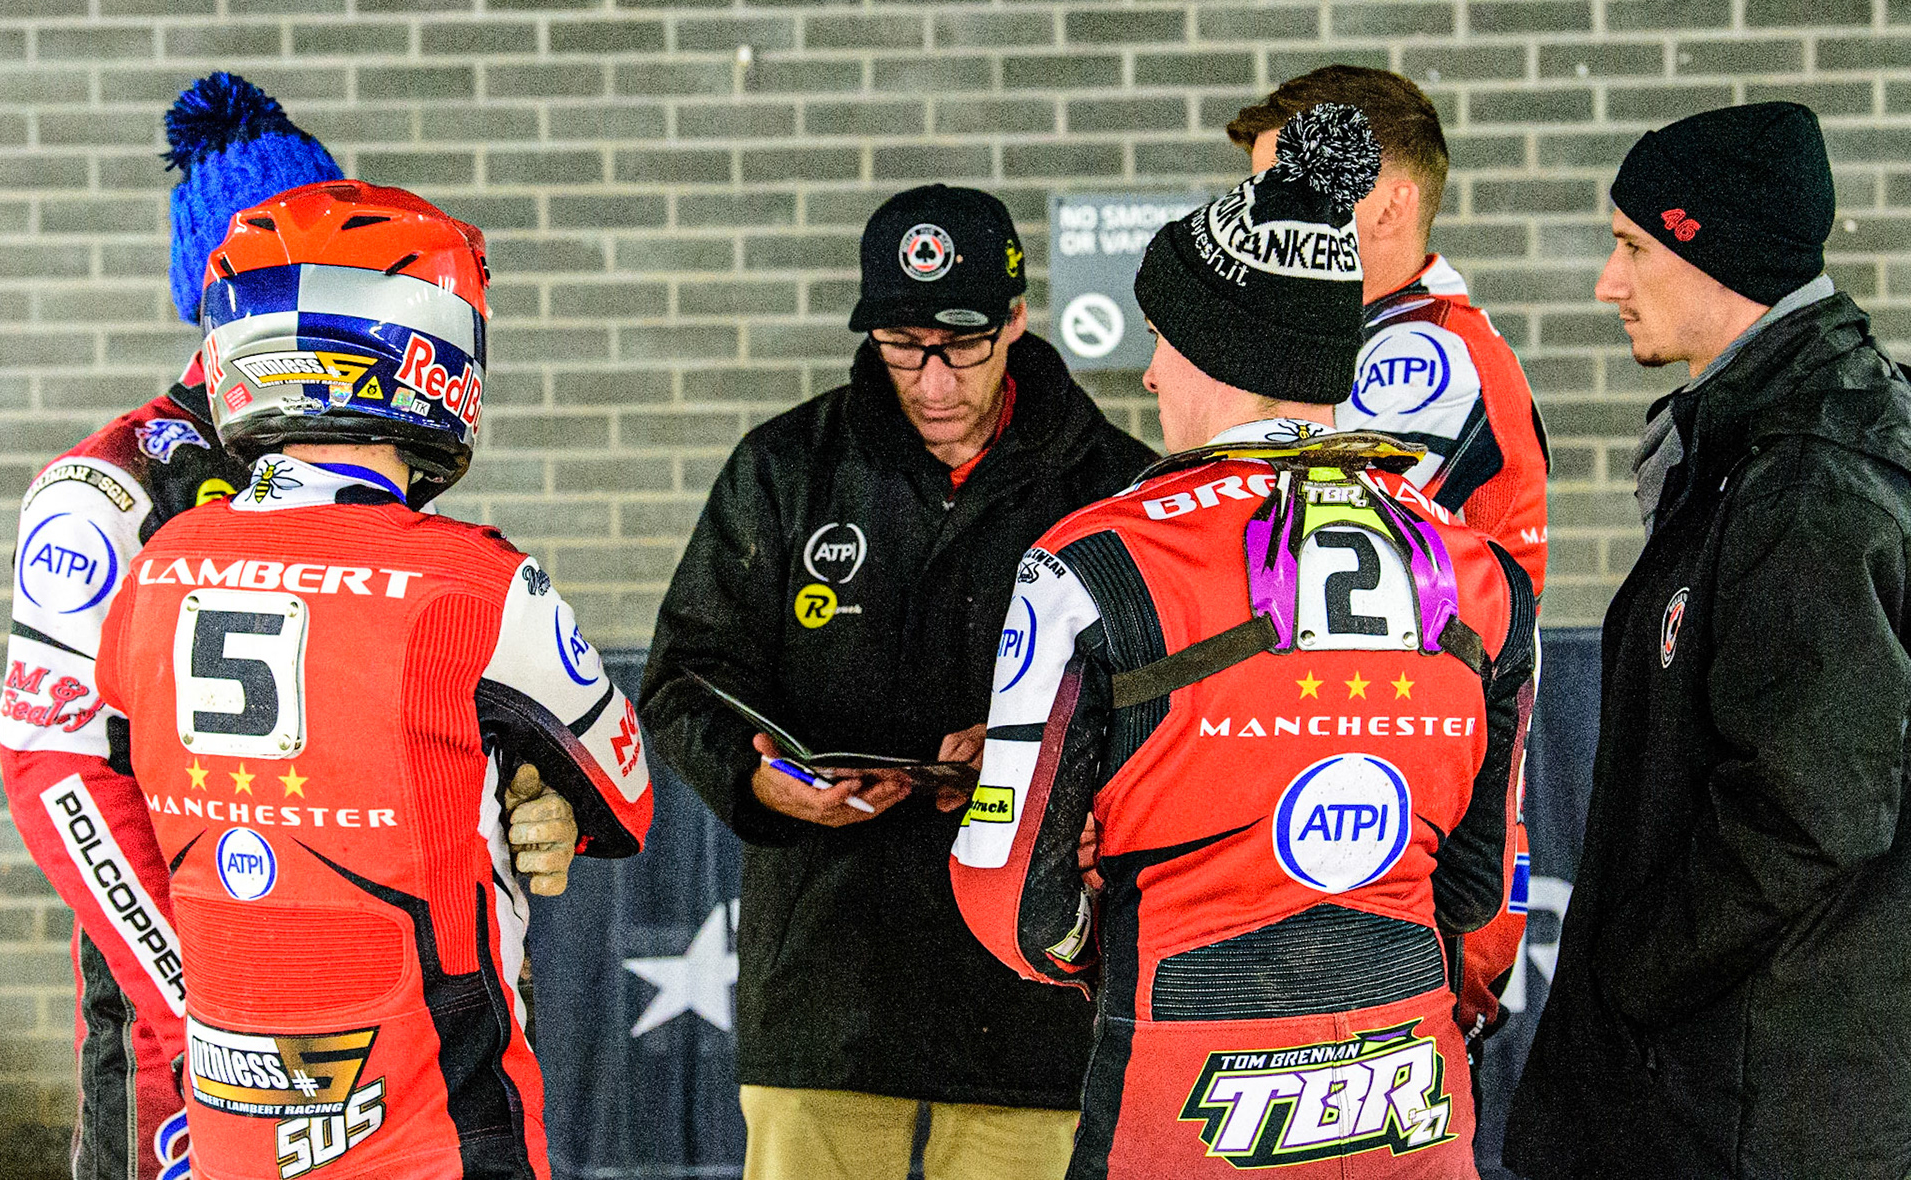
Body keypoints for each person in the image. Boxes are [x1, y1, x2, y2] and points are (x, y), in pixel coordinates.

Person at [0, 73, 583, 1180]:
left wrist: (528, 795)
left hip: (413, 1033)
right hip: (197, 1051)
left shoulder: (374, 458)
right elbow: (54, 770)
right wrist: (206, 1006)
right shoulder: (109, 489)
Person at [951, 105, 1536, 1180]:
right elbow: (1480, 886)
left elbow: (1010, 903)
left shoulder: (1088, 564)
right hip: (1410, 1098)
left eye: (1163, 342)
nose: (1149, 377)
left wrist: (1103, 935)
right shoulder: (1481, 573)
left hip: (1185, 1097)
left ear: (1218, 353)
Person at [91, 177, 648, 1180]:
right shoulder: (475, 579)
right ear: (429, 354)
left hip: (228, 1129)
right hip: (434, 1130)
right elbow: (629, 793)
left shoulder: (156, 564)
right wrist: (539, 795)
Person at [640, 184, 1155, 1180]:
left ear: (1015, 321)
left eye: (959, 345)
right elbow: (686, 675)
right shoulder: (788, 468)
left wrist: (1025, 762)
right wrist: (759, 784)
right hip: (829, 984)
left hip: (1035, 992)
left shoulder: (1114, 488)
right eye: (901, 343)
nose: (930, 381)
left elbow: (1169, 711)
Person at [1506, 105, 1911, 1178]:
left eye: (1633, 247)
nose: (1609, 282)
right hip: (1747, 1078)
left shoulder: (1812, 478)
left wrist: (1636, 972)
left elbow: (1809, 813)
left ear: (1712, 253)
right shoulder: (1765, 442)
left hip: (1761, 1101)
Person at [1230, 65, 1550, 1048]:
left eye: (1282, 193)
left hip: (1402, 863)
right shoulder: (1362, 346)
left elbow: (1288, 583)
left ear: (1387, 203)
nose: (1258, 225)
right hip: (1358, 840)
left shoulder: (1421, 362)